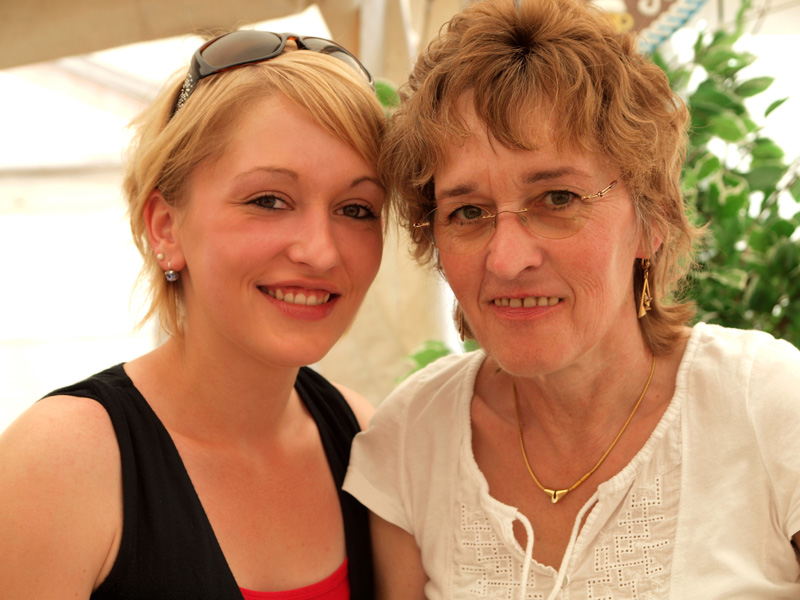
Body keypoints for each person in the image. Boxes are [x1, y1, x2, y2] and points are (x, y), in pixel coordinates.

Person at [343, 0, 800, 598]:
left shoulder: (768, 405)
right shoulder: (412, 439)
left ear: (653, 218)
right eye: (468, 211)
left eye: (558, 199)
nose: (506, 259)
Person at [0, 30, 385, 599]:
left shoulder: (359, 435)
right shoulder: (63, 459)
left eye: (356, 209)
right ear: (166, 227)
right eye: (269, 201)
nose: (321, 251)